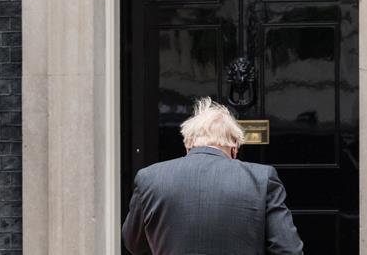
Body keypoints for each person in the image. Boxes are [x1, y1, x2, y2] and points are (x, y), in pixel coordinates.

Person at [122, 97, 304, 254]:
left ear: (188, 144)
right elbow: (288, 249)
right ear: (235, 148)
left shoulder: (150, 178)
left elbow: (134, 244)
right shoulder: (262, 179)